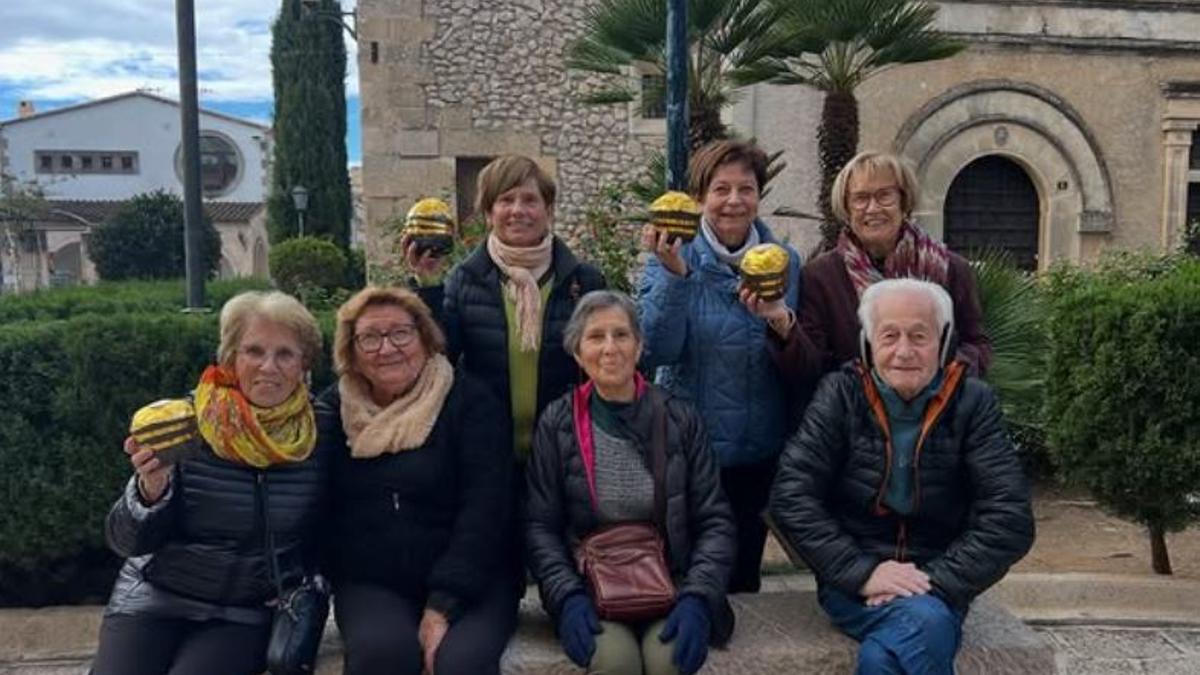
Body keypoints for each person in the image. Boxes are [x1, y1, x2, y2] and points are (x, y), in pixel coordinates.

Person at [769, 279, 1035, 675]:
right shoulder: (839, 396)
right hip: (852, 584)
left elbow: (1009, 517)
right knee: (925, 624)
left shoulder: (973, 403)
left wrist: (931, 582)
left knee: (886, 654)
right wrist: (864, 573)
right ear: (868, 343)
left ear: (943, 344)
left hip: (942, 582)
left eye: (919, 336)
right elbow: (791, 496)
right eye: (889, 335)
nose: (904, 351)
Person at [91, 291, 326, 675]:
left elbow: (334, 521)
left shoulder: (321, 429)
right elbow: (126, 541)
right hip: (154, 595)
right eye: (254, 351)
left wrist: (305, 582)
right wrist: (151, 490)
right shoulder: (187, 422)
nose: (269, 367)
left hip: (242, 612)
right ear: (230, 357)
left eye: (285, 354)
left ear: (304, 365)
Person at [526, 290, 737, 675]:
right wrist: (567, 596)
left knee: (668, 660)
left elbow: (715, 520)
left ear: (639, 347)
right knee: (615, 663)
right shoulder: (557, 423)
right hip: (591, 588)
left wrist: (699, 597)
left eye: (621, 335)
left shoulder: (680, 419)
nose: (610, 348)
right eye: (595, 337)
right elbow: (541, 525)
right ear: (577, 352)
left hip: (672, 582)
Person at [315, 287, 516, 675]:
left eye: (401, 333)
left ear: (425, 338)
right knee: (382, 656)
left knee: (460, 664)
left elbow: (486, 511)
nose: (387, 348)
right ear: (351, 351)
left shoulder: (470, 403)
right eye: (370, 337)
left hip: (473, 578)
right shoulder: (333, 411)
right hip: (372, 580)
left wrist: (442, 604)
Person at [639, 139, 802, 593]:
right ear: (699, 198)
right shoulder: (670, 256)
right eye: (721, 189)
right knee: (687, 583)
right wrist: (673, 277)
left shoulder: (787, 265)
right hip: (690, 455)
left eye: (745, 189)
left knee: (742, 584)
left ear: (759, 195)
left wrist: (782, 323)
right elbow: (654, 352)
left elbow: (799, 363)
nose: (733, 201)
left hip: (757, 456)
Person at [745, 150, 992, 402]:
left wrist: (941, 378)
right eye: (860, 199)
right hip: (853, 425)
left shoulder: (952, 269)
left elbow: (976, 344)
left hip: (938, 419)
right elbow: (809, 368)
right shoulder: (821, 277)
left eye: (884, 196)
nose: (872, 208)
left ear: (903, 201)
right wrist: (783, 323)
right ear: (847, 208)